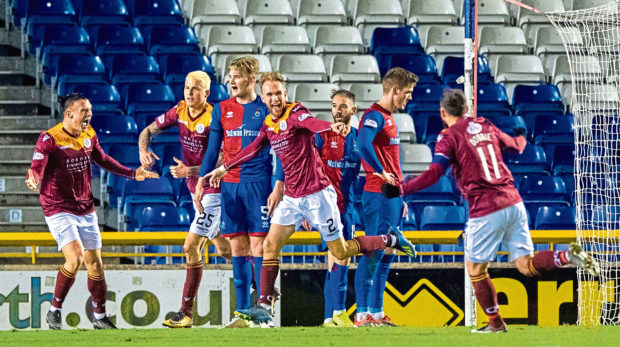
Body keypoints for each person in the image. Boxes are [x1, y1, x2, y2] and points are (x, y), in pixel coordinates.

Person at [202, 72, 416, 326]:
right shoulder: (269, 125)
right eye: (270, 94)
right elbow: (252, 148)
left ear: (285, 93)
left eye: (279, 93)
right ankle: (264, 306)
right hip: (292, 198)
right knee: (270, 246)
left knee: (341, 250)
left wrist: (331, 126)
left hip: (318, 196)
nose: (276, 98)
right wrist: (224, 168)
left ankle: (390, 238)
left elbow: (312, 122)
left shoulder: (295, 113)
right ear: (263, 96)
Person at [382, 89, 600, 333]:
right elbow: (515, 147)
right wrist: (521, 137)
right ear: (466, 109)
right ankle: (565, 257)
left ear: (443, 113)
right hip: (514, 203)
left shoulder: (448, 137)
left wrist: (401, 189)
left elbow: (434, 174)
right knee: (525, 265)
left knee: (476, 270)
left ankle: (495, 323)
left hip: (486, 208)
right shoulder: (484, 125)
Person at [25, 93, 158, 330]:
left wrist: (131, 173)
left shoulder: (89, 134)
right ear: (69, 114)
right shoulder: (49, 138)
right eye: (84, 110)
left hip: (85, 207)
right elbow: (37, 165)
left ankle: (100, 318)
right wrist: (33, 177)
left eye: (90, 110)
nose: (89, 115)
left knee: (95, 264)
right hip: (57, 207)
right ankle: (54, 310)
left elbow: (103, 159)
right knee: (74, 258)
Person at [194, 57, 284, 328]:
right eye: (230, 76)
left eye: (237, 76)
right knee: (237, 248)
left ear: (252, 79)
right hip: (230, 186)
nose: (231, 81)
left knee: (259, 246)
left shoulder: (266, 107)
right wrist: (201, 180)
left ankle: (263, 312)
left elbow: (281, 148)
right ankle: (243, 313)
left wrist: (279, 183)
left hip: (259, 185)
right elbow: (212, 150)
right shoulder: (221, 108)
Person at [137, 71, 232, 328]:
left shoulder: (215, 117)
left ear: (207, 93)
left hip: (214, 189)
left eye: (196, 89)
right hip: (195, 190)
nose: (190, 92)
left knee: (191, 247)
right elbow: (148, 130)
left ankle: (186, 313)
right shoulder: (179, 110)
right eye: (187, 87)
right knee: (224, 248)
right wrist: (143, 149)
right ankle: (261, 282)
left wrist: (189, 171)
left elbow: (224, 159)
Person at [355, 67, 418, 327]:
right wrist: (379, 172)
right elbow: (361, 143)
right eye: (407, 93)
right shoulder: (374, 116)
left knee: (388, 253)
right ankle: (361, 314)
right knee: (374, 252)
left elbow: (393, 162)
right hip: (377, 193)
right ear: (394, 91)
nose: (409, 98)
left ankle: (377, 313)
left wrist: (400, 196)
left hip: (390, 195)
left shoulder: (389, 118)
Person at [313, 89, 360, 328]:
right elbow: (305, 167)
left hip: (348, 207)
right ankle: (338, 314)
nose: (337, 111)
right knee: (338, 258)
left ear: (354, 110)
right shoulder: (321, 136)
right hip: (325, 208)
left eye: (343, 106)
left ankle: (330, 317)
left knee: (338, 261)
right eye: (334, 106)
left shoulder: (361, 138)